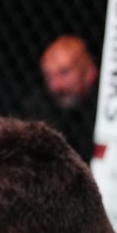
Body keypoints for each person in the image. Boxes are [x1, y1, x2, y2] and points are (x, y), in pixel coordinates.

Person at [19, 34, 98, 162]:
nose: (56, 86)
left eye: (64, 72)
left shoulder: (109, 105)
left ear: (89, 72)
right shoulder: (37, 110)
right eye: (48, 76)